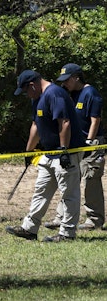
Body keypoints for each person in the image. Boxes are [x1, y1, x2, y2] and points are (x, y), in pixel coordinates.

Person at [6, 69, 86, 242]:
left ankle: (67, 233)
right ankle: (30, 228)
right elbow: (36, 125)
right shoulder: (37, 98)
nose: (26, 95)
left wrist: (64, 150)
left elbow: (64, 123)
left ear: (32, 85)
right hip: (49, 155)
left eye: (26, 91)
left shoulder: (54, 94)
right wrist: (28, 151)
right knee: (40, 191)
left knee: (69, 194)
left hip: (66, 154)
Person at [44, 63, 105, 231]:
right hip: (76, 144)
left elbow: (95, 120)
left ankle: (94, 219)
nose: (64, 84)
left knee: (91, 179)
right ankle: (61, 216)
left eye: (67, 80)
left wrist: (89, 142)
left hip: (90, 143)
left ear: (76, 78)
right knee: (69, 179)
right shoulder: (72, 94)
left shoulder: (91, 93)